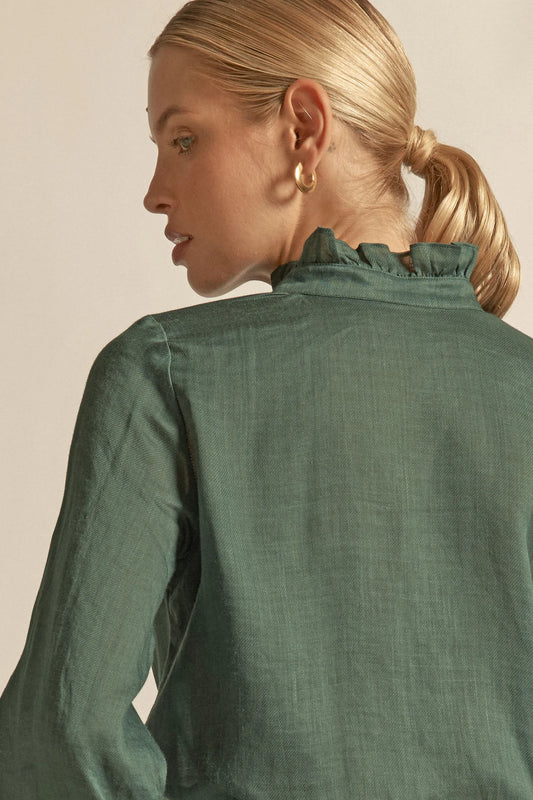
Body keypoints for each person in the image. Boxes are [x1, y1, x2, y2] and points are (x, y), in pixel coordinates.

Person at [0, 0, 531, 797]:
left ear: (303, 129)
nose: (154, 192)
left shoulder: (166, 372)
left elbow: (63, 728)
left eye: (184, 140)